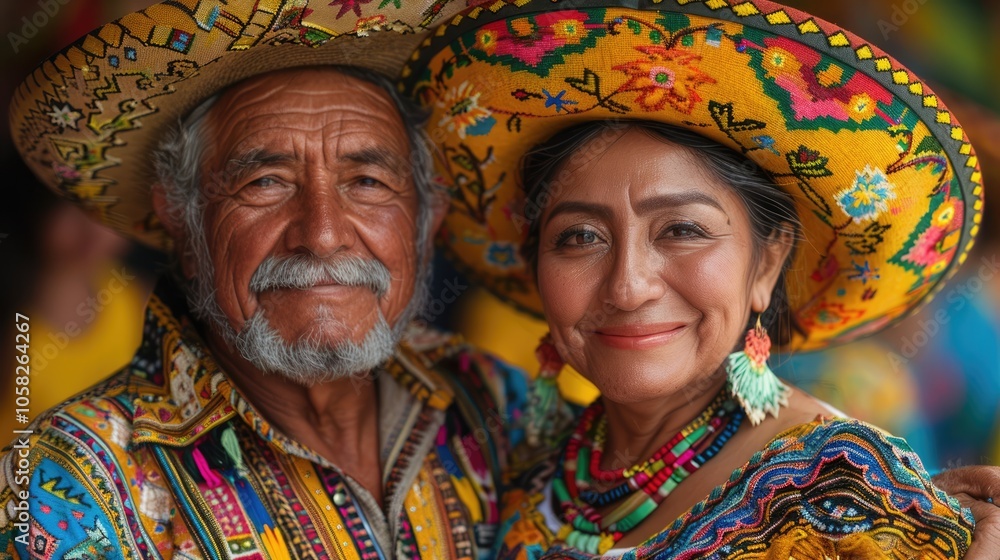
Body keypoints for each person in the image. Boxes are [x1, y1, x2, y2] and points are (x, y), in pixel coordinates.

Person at [400, 0, 1000, 557]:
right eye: (579, 236)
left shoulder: (839, 495)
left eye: (682, 230)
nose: (628, 287)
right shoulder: (521, 470)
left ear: (767, 262)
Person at [0, 0, 528, 558]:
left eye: (368, 181)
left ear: (427, 218)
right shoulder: (70, 488)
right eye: (266, 181)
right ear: (183, 219)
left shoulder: (498, 403)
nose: (322, 234)